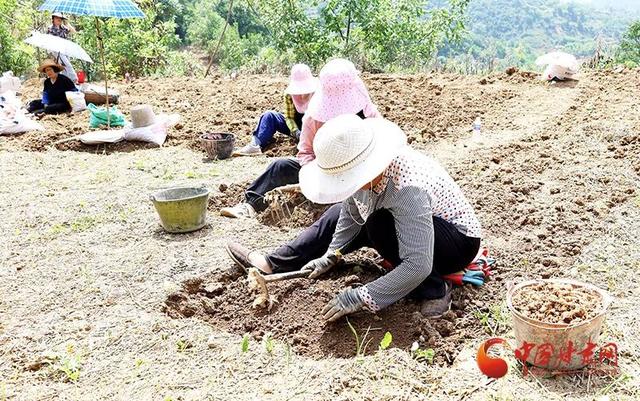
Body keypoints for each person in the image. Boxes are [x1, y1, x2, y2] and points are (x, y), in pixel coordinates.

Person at [226, 114, 482, 320]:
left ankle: (435, 289)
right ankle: (274, 263)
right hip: (411, 221)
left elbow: (418, 264)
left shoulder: (408, 189)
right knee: (343, 212)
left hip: (456, 241)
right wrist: (331, 254)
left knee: (378, 224)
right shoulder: (366, 175)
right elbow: (349, 211)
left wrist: (360, 296)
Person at [220, 58, 381, 218]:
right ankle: (250, 205)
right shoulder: (313, 117)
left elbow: (381, 143)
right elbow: (305, 153)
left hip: (360, 173)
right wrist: (315, 176)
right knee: (280, 166)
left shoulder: (367, 112)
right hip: (324, 170)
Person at [233, 64, 318, 156]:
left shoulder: (318, 92)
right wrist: (296, 132)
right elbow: (289, 117)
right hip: (297, 127)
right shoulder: (289, 94)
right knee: (269, 116)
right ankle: (255, 145)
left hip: (315, 126)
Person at [47, 12, 78, 83]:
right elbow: (49, 41)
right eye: (57, 18)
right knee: (67, 65)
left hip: (65, 49)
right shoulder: (51, 28)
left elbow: (73, 31)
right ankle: (74, 79)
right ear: (53, 19)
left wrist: (67, 23)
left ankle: (64, 81)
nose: (59, 20)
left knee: (63, 67)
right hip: (57, 50)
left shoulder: (63, 27)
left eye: (60, 18)